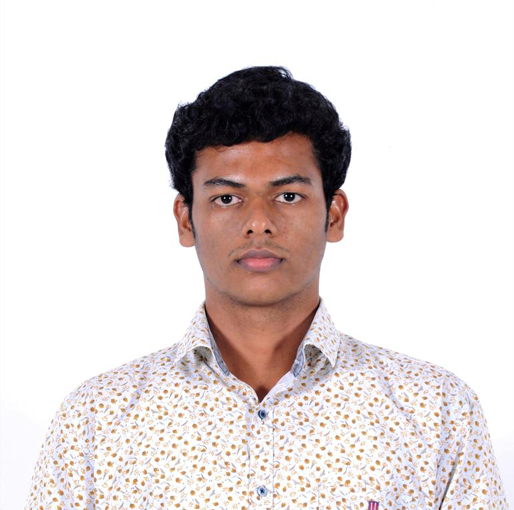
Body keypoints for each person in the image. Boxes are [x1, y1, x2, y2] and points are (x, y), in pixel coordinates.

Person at [26, 66, 508, 509]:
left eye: (288, 195)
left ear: (334, 215)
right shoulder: (96, 421)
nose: (259, 222)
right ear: (186, 219)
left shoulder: (435, 410)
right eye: (227, 198)